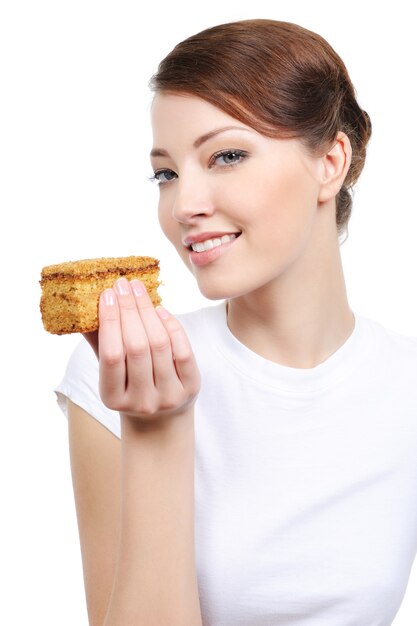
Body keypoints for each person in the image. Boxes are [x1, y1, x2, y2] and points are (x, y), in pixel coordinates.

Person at [55, 18, 417, 626]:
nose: (183, 206)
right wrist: (157, 430)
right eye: (166, 173)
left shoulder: (404, 385)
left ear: (331, 161)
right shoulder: (118, 376)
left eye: (226, 156)